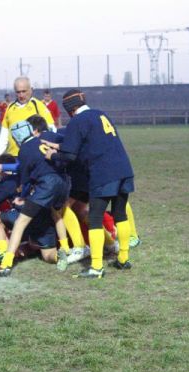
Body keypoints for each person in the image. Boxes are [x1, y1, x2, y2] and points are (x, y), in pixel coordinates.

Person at [46, 89, 135, 278]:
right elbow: (90, 143)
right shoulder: (100, 114)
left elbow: (70, 156)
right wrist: (60, 146)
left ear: (69, 110)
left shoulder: (77, 121)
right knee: (120, 214)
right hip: (124, 168)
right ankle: (123, 259)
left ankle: (96, 267)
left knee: (94, 218)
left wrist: (52, 154)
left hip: (103, 173)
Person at [0, 120, 70, 277]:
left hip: (46, 185)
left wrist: (22, 195)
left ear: (17, 139)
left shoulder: (24, 150)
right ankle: (64, 251)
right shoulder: (44, 139)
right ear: (32, 131)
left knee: (20, 222)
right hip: (63, 183)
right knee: (57, 216)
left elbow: (24, 178)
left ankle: (5, 264)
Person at [0, 76, 56, 157]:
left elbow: (52, 129)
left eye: (24, 91)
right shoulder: (10, 108)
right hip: (14, 155)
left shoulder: (38, 106)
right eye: (18, 92)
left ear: (30, 90)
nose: (21, 95)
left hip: (34, 155)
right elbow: (4, 133)